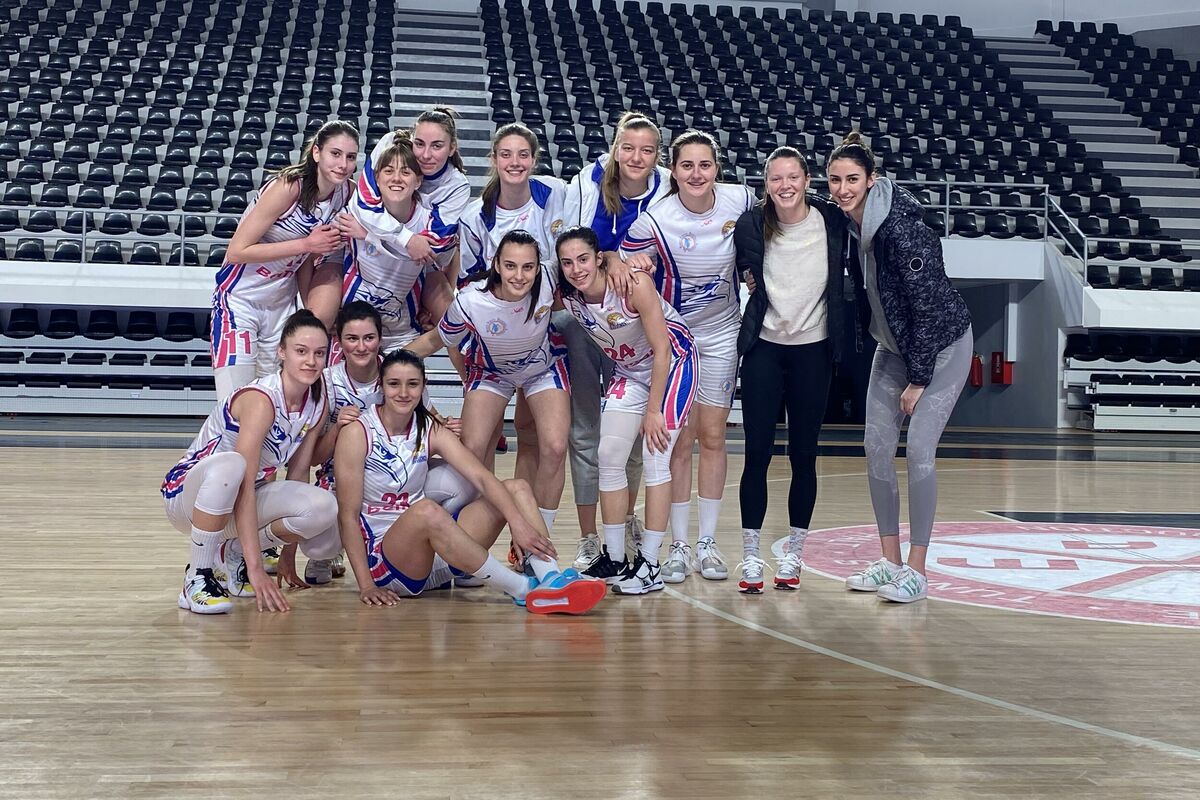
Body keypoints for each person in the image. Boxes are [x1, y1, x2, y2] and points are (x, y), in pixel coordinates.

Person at [332, 349, 605, 614]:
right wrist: (366, 585)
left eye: (412, 384)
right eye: (394, 384)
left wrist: (518, 523)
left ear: (423, 387)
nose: (403, 392)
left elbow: (482, 477)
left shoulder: (428, 427)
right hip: (386, 562)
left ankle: (551, 580)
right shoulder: (358, 432)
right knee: (427, 511)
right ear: (381, 386)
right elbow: (348, 516)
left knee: (517, 488)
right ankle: (523, 589)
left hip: (432, 555)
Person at [827, 131, 974, 604]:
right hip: (893, 347)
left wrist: (919, 379)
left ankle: (917, 570)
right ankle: (889, 561)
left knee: (919, 453)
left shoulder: (902, 230)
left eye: (852, 179)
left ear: (872, 179)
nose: (843, 189)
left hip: (942, 347)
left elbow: (927, 310)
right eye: (835, 180)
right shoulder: (852, 222)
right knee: (875, 448)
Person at [618, 129, 755, 584]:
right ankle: (678, 546)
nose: (697, 174)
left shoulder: (741, 200)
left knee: (713, 436)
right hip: (677, 340)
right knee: (679, 441)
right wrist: (634, 265)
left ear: (717, 168)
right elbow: (622, 265)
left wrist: (755, 272)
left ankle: (707, 543)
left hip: (722, 334)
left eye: (705, 165)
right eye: (687, 165)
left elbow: (767, 235)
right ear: (673, 171)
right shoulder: (655, 220)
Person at [406, 231, 570, 568]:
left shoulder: (552, 277)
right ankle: (466, 545)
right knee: (472, 449)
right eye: (510, 266)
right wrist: (388, 361)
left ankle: (536, 547)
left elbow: (597, 260)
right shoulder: (471, 301)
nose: (519, 276)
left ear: (539, 267)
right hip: (491, 372)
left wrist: (614, 260)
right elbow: (436, 340)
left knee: (555, 447)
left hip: (542, 368)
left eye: (527, 267)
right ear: (496, 264)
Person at [732, 146, 854, 594]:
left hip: (813, 352)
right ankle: (750, 555)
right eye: (775, 178)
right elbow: (740, 268)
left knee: (804, 455)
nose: (784, 185)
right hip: (763, 350)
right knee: (756, 454)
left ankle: (794, 554)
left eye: (792, 177)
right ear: (766, 184)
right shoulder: (750, 224)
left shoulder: (832, 220)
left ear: (806, 180)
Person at [162, 310, 339, 615]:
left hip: (236, 499)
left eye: (319, 353)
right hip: (189, 499)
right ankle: (197, 576)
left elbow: (298, 473)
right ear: (281, 352)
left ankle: (233, 553)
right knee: (234, 466)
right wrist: (257, 568)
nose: (311, 361)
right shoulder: (261, 400)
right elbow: (244, 484)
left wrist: (287, 556)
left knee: (322, 507)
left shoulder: (317, 401)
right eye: (301, 351)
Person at [559, 111, 673, 571]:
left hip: (638, 321)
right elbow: (571, 246)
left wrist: (634, 262)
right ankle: (590, 537)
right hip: (588, 319)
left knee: (633, 439)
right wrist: (611, 258)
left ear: (658, 155)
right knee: (588, 431)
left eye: (647, 150)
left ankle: (623, 523)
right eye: (628, 148)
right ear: (614, 149)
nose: (636, 158)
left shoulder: (668, 185)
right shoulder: (587, 183)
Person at [558, 227, 697, 595]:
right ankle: (616, 557)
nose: (576, 269)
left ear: (598, 259)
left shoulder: (632, 285)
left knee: (655, 457)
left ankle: (649, 564)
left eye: (583, 259)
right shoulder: (568, 295)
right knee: (608, 455)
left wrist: (654, 411)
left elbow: (663, 350)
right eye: (567, 263)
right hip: (630, 370)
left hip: (673, 363)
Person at [308, 302, 471, 584]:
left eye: (369, 338)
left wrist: (449, 428)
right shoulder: (327, 381)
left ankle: (437, 547)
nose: (361, 347)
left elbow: (430, 421)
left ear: (380, 339)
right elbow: (312, 458)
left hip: (397, 474)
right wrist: (336, 430)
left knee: (467, 482)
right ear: (339, 341)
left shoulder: (399, 371)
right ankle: (327, 553)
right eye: (352, 338)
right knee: (320, 530)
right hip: (343, 479)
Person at [212, 120, 358, 400]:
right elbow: (237, 251)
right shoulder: (289, 186)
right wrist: (307, 244)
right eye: (335, 154)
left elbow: (303, 260)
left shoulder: (345, 193)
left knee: (274, 400)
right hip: (240, 300)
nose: (343, 164)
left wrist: (308, 309)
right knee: (235, 400)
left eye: (350, 157)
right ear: (317, 152)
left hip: (282, 304)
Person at [334, 130, 457, 353]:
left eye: (406, 172)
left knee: (456, 322)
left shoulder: (429, 223)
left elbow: (444, 256)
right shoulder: (355, 213)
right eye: (388, 171)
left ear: (418, 181)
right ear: (376, 178)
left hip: (401, 331)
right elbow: (320, 256)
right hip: (352, 326)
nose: (397, 178)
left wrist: (368, 236)